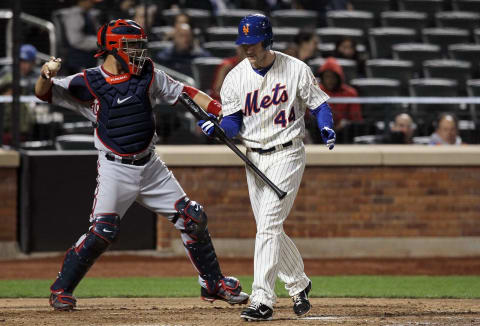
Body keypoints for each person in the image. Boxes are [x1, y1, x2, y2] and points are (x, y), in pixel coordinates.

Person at [34, 19, 249, 311]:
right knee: (102, 232)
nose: (139, 52)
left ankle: (213, 284)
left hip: (151, 167)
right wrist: (46, 74)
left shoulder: (147, 74)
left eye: (139, 45)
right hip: (115, 167)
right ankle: (61, 289)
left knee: (193, 218)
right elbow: (43, 93)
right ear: (112, 48)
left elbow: (184, 92)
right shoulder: (87, 82)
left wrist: (217, 111)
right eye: (131, 46)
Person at [198, 14, 336, 321]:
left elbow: (319, 104)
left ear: (267, 40)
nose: (247, 48)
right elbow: (233, 122)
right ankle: (299, 283)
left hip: (288, 153)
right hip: (254, 157)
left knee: (269, 224)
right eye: (243, 43)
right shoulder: (235, 77)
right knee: (269, 228)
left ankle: (262, 298)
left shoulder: (296, 68)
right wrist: (218, 128)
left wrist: (326, 126)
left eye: (253, 42)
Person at [0, 44, 40, 145]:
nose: (24, 65)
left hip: (29, 124)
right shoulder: (8, 72)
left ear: (33, 62)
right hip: (6, 123)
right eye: (22, 61)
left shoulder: (38, 76)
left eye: (27, 62)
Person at [317, 57, 362, 143]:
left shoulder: (350, 93)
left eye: (333, 77)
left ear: (339, 77)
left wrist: (346, 122)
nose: (330, 80)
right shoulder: (316, 91)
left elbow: (356, 119)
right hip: (319, 132)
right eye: (327, 77)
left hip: (344, 134)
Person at [57, 0, 102, 74]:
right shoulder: (74, 15)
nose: (93, 4)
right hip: (78, 61)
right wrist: (99, 42)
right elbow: (76, 40)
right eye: (91, 2)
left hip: (89, 60)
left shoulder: (89, 14)